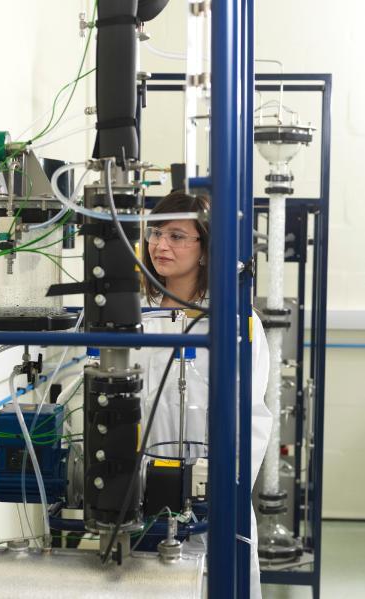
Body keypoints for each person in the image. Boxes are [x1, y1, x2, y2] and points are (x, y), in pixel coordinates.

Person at [139, 190, 272, 599]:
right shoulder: (132, 316)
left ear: (204, 248)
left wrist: (219, 490)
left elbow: (251, 418)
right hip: (143, 496)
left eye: (177, 236)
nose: (161, 245)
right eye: (156, 232)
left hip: (212, 499)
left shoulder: (236, 321)